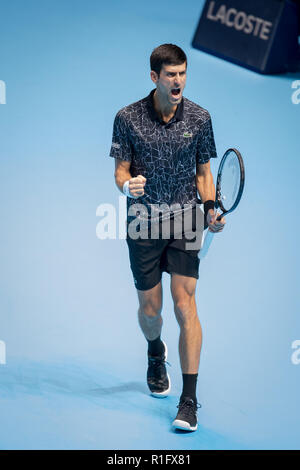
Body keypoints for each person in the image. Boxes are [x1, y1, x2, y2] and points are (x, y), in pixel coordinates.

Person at [109, 44, 225, 432]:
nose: (178, 81)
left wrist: (210, 207)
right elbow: (120, 171)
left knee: (184, 303)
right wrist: (128, 188)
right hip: (143, 221)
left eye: (183, 73)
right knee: (150, 311)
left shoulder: (200, 117)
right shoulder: (127, 118)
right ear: (155, 77)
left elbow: (204, 173)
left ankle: (189, 401)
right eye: (171, 74)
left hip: (185, 219)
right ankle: (155, 352)